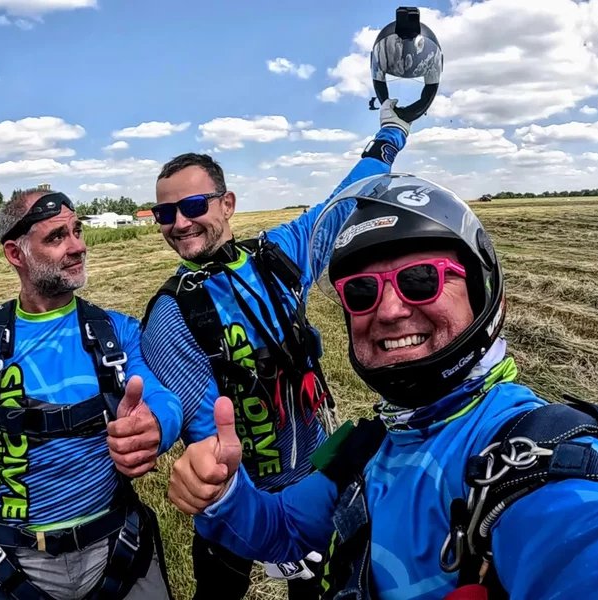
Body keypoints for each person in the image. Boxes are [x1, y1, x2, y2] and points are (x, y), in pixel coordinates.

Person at [167, 174, 598, 599]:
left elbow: (590, 550)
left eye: (420, 280)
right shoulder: (371, 448)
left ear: (481, 292)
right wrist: (224, 494)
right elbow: (282, 528)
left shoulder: (534, 458)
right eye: (362, 291)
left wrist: (390, 134)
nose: (388, 310)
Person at [141, 102, 411, 599]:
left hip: (315, 476)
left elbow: (344, 201)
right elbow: (208, 438)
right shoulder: (171, 317)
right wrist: (262, 525)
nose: (179, 223)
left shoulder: (276, 258)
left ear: (227, 204)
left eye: (194, 206)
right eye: (165, 213)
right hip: (241, 498)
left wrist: (392, 132)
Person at [0, 188, 183, 600]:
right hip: (7, 560)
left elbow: (162, 398)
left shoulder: (116, 331)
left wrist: (156, 427)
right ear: (15, 253)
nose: (78, 246)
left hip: (117, 548)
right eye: (57, 236)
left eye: (77, 231)